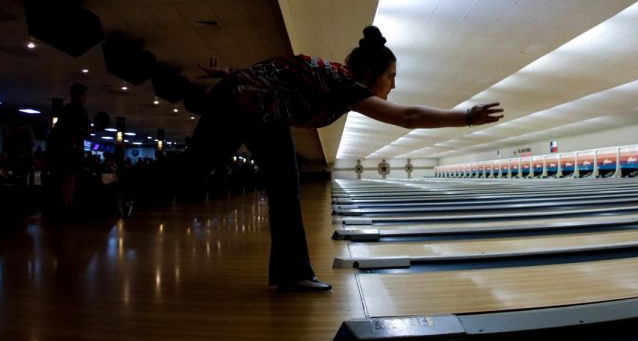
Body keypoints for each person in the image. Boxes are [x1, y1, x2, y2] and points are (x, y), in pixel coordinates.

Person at [185, 26, 504, 293]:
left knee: (285, 187)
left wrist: (229, 73)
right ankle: (136, 192)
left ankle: (293, 274)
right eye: (391, 76)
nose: (394, 84)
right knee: (192, 170)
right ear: (369, 72)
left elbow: (276, 72)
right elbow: (407, 116)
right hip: (237, 104)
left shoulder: (337, 82)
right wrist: (466, 118)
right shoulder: (342, 84)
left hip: (262, 111)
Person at [46, 84, 90, 215]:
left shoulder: (66, 110)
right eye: (84, 95)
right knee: (70, 179)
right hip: (71, 150)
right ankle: (67, 207)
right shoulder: (80, 111)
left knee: (63, 179)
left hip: (60, 150)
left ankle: (62, 207)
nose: (85, 98)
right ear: (80, 96)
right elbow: (83, 131)